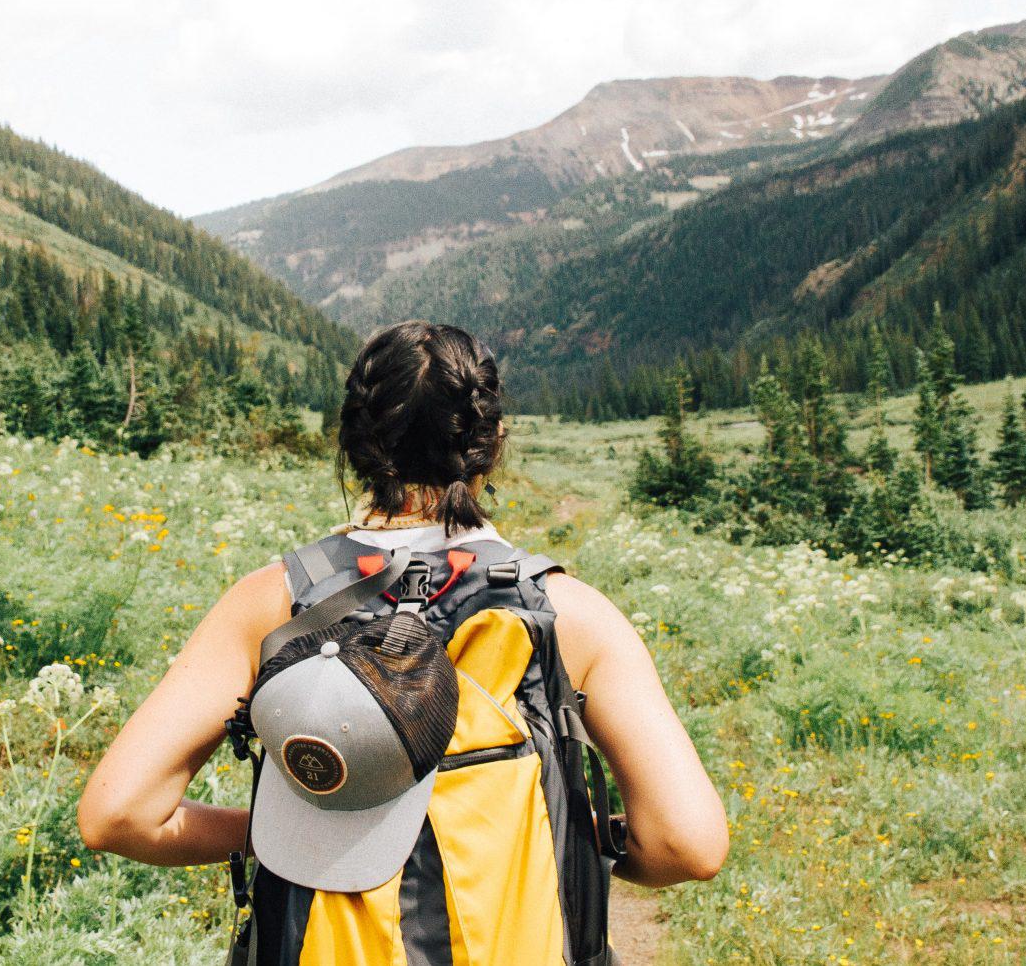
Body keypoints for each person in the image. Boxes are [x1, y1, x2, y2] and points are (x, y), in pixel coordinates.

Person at [79, 320, 726, 962]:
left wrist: (269, 833)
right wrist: (581, 841)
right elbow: (688, 844)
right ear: (492, 443)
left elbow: (119, 814)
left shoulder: (273, 602)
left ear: (354, 443)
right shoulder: (567, 613)